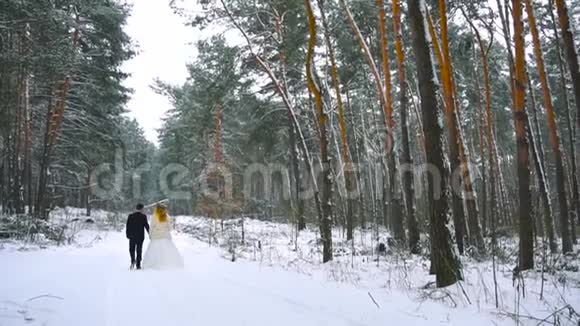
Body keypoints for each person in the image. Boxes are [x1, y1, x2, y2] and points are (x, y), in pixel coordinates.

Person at [142, 203, 184, 269]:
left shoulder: (154, 216)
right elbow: (170, 228)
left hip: (156, 236)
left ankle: (154, 264)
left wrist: (150, 235)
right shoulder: (167, 216)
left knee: (154, 251)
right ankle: (169, 263)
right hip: (165, 236)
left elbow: (152, 227)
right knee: (168, 251)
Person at [126, 203, 149, 270]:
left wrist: (127, 235)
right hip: (140, 236)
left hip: (132, 236)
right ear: (142, 209)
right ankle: (138, 264)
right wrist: (150, 234)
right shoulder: (143, 216)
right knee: (139, 250)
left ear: (136, 208)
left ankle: (133, 261)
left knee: (131, 249)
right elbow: (146, 226)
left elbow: (128, 226)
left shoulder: (130, 216)